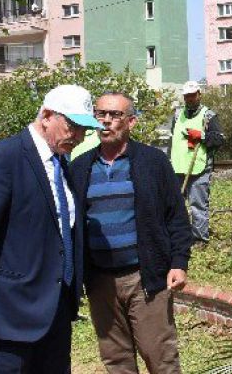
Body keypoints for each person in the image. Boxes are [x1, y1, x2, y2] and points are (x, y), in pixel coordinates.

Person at [0, 85, 103, 373]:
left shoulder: (61, 163)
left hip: (55, 313)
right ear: (47, 115)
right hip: (9, 318)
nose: (80, 136)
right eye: (73, 126)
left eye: (85, 129)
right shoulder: (3, 158)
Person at [69, 92, 193, 374]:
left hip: (145, 278)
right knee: (116, 359)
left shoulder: (153, 162)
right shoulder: (80, 167)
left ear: (131, 122)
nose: (107, 122)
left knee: (159, 355)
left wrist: (179, 263)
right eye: (101, 114)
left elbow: (176, 217)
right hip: (100, 282)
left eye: (115, 115)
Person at [169, 80, 225, 244]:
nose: (190, 99)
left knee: (197, 205)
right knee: (177, 205)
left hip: (199, 167)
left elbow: (219, 139)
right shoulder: (178, 115)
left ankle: (200, 238)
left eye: (193, 95)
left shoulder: (208, 116)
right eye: (187, 96)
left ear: (199, 95)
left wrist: (201, 136)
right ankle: (180, 235)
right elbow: (174, 139)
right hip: (179, 167)